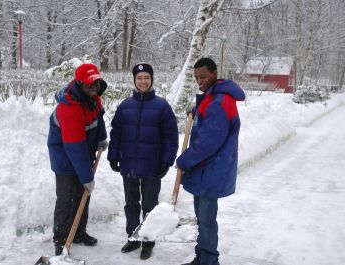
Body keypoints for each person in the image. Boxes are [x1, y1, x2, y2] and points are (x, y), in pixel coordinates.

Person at [176, 57, 245, 265]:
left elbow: (208, 142)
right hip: (206, 168)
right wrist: (196, 110)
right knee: (202, 218)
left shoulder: (221, 100)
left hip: (212, 168)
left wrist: (184, 160)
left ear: (214, 73)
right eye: (196, 77)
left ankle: (209, 261)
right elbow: (209, 120)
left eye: (203, 76)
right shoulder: (213, 96)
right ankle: (202, 257)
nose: (200, 81)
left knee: (206, 220)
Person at [107, 63, 178, 260]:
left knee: (149, 204)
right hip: (129, 163)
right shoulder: (125, 106)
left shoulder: (162, 106)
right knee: (131, 204)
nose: (143, 81)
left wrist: (166, 161)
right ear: (134, 80)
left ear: (152, 79)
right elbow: (116, 134)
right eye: (139, 78)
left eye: (147, 77)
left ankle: (147, 240)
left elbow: (171, 138)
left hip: (152, 165)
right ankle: (133, 236)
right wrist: (113, 155)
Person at [47, 63, 108, 256]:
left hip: (83, 152)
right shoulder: (69, 108)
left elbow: (99, 118)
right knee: (66, 198)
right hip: (65, 156)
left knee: (83, 195)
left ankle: (79, 233)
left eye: (97, 84)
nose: (95, 88)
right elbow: (74, 147)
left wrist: (101, 138)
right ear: (79, 83)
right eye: (90, 84)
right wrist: (86, 176)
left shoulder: (93, 99)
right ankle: (61, 238)